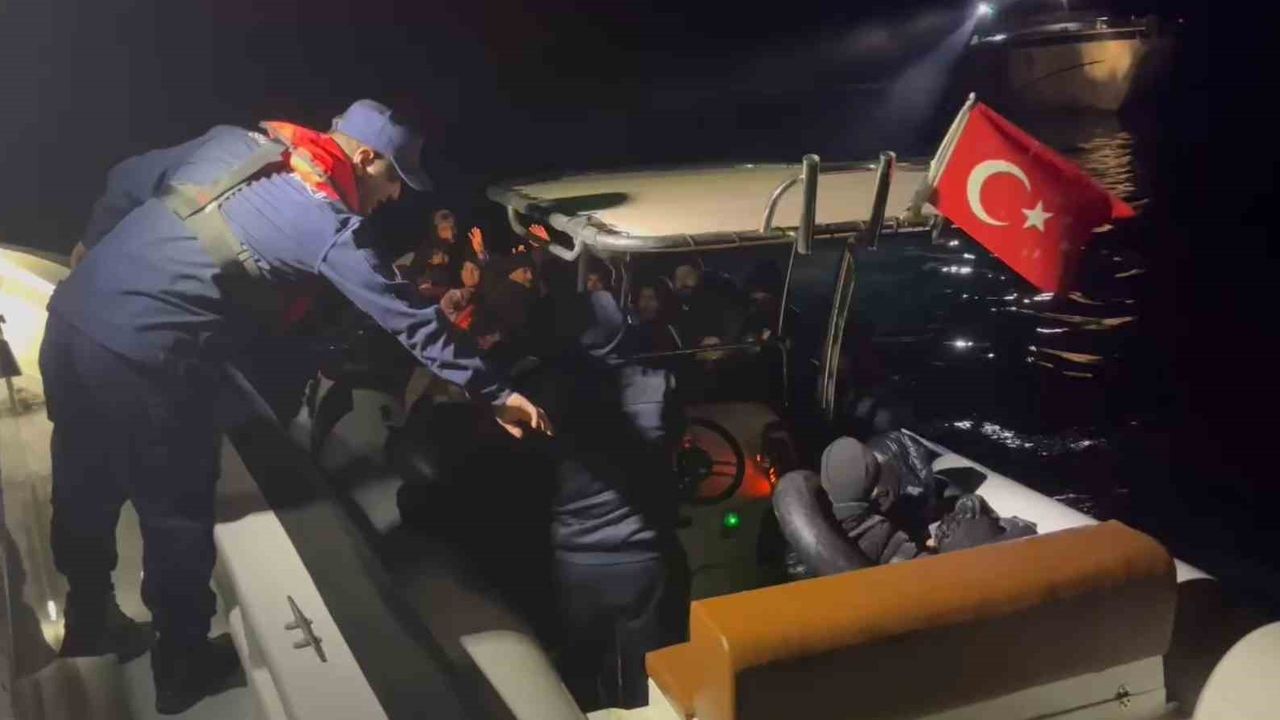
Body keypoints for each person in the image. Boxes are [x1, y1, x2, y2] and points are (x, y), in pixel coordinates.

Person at [46, 99, 549, 714]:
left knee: (84, 478)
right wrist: (496, 391)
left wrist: (91, 245)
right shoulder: (327, 223)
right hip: (147, 358)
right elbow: (408, 318)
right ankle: (182, 665)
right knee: (174, 511)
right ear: (365, 159)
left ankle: (89, 619)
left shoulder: (232, 143)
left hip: (70, 321)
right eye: (394, 179)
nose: (395, 197)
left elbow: (126, 176)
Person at [517, 291, 690, 712]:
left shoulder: (538, 391)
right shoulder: (657, 383)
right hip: (644, 560)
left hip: (573, 564)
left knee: (578, 682)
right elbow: (673, 439)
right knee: (648, 684)